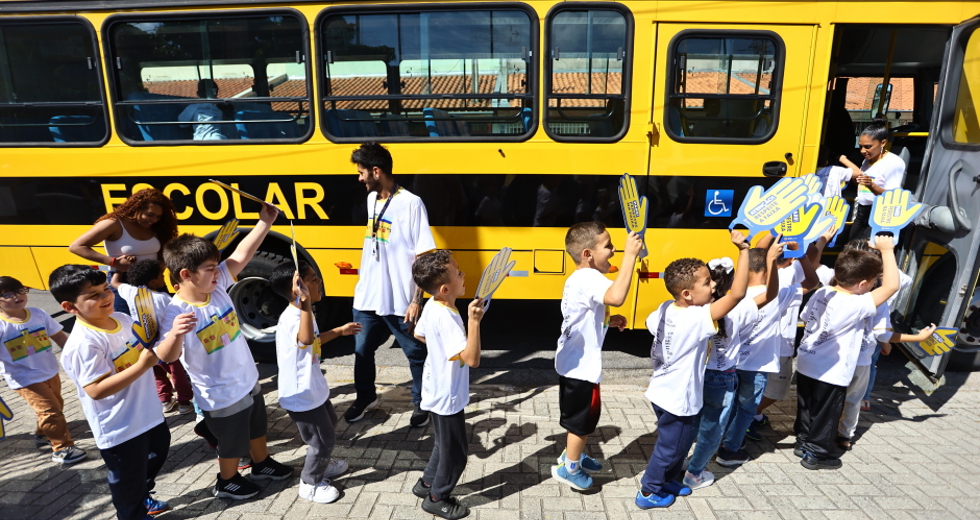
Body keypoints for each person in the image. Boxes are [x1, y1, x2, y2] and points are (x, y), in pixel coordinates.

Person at [156, 201, 294, 500]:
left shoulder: (215, 287)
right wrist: (176, 334)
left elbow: (242, 255)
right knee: (232, 441)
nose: (217, 272)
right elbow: (166, 357)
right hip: (220, 393)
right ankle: (227, 480)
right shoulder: (175, 312)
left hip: (246, 379)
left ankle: (261, 463)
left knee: (257, 425)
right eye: (209, 269)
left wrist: (265, 223)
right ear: (185, 274)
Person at [52, 264, 193, 519]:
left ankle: (143, 495)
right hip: (119, 427)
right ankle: (133, 512)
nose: (105, 297)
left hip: (148, 414)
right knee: (127, 482)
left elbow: (156, 350)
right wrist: (142, 364)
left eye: (105, 289)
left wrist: (173, 334)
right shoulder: (84, 343)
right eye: (93, 295)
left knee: (156, 455)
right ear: (70, 307)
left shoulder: (123, 319)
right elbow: (95, 389)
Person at [635, 230, 751, 510]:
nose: (713, 286)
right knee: (670, 448)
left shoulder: (665, 308)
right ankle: (649, 491)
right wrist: (744, 250)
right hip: (678, 399)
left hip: (661, 391)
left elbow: (653, 326)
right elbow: (737, 294)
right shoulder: (698, 317)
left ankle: (669, 480)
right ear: (687, 294)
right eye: (708, 282)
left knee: (680, 443)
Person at [345, 143, 437, 428]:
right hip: (368, 296)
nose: (359, 179)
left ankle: (421, 403)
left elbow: (425, 255)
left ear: (376, 171)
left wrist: (416, 300)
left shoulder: (411, 203)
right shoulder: (372, 200)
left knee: (416, 354)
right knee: (361, 352)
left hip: (400, 298)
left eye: (362, 173)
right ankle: (365, 397)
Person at [794, 234, 900, 470]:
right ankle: (817, 454)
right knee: (827, 413)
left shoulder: (823, 292)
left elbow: (805, 317)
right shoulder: (855, 303)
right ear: (863, 284)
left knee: (807, 407)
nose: (874, 286)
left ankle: (802, 441)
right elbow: (892, 285)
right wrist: (887, 250)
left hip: (806, 362)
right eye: (873, 282)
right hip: (830, 371)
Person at [550, 222, 643, 491]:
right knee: (582, 422)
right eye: (608, 246)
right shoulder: (590, 278)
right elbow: (615, 296)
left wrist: (607, 322)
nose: (613, 250)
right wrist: (629, 255)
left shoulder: (578, 278)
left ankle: (572, 454)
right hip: (582, 368)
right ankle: (570, 468)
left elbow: (585, 314)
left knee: (578, 418)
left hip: (572, 363)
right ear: (588, 254)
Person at [684, 241, 783, 491]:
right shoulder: (739, 309)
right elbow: (771, 295)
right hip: (722, 377)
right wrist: (770, 261)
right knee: (712, 428)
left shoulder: (694, 309)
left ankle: (677, 465)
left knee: (691, 423)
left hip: (696, 374)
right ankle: (694, 473)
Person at [717, 241, 818, 465]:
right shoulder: (779, 293)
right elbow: (812, 282)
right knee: (746, 409)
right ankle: (730, 449)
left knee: (729, 405)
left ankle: (720, 440)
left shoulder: (732, 293)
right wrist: (800, 255)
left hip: (730, 362)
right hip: (758, 365)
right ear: (767, 268)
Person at [269, 261, 360, 504]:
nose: (319, 281)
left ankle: (322, 465)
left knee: (329, 423)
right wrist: (307, 303)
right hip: (301, 393)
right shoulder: (297, 316)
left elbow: (315, 340)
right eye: (313, 279)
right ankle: (310, 483)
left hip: (312, 388)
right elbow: (307, 338)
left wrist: (340, 331)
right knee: (321, 440)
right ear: (297, 288)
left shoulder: (303, 314)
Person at [409, 250, 484, 520]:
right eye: (459, 272)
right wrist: (474, 321)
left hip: (435, 388)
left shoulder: (433, 304)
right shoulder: (449, 317)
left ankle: (427, 483)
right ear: (445, 288)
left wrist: (443, 351)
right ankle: (436, 497)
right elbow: (472, 359)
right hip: (447, 395)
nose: (464, 275)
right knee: (456, 455)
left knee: (443, 444)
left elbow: (419, 334)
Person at [749, 227, 835, 440]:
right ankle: (750, 414)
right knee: (776, 389)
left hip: (755, 345)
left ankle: (751, 414)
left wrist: (774, 228)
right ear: (788, 259)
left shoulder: (755, 278)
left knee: (753, 384)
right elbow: (812, 274)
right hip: (782, 346)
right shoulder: (787, 277)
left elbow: (758, 249)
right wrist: (818, 242)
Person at [0, 276, 87, 466]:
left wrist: (78, 355)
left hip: (50, 371)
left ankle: (42, 434)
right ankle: (61, 448)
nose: (17, 296)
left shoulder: (38, 314)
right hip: (24, 379)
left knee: (56, 405)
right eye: (7, 294)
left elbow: (59, 337)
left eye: (21, 290)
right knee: (50, 411)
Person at [69, 188, 179, 314]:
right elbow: (76, 246)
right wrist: (113, 262)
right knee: (129, 326)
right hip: (123, 281)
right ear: (136, 207)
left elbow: (165, 250)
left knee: (164, 322)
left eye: (158, 216)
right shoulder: (114, 223)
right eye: (150, 214)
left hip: (154, 280)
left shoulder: (157, 226)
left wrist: (161, 266)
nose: (154, 219)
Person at [110, 260, 194, 415]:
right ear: (153, 281)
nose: (163, 278)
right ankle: (184, 402)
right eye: (161, 275)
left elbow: (114, 282)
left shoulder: (130, 291)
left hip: (145, 343)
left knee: (157, 372)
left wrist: (118, 267)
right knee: (177, 372)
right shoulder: (163, 298)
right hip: (164, 343)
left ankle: (165, 400)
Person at [840, 119, 906, 241]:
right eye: (860, 146)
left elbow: (892, 196)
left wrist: (871, 185)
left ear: (883, 143)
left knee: (865, 253)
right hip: (862, 211)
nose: (862, 151)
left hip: (879, 213)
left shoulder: (894, 163)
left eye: (867, 147)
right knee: (851, 248)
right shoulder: (867, 160)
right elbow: (862, 186)